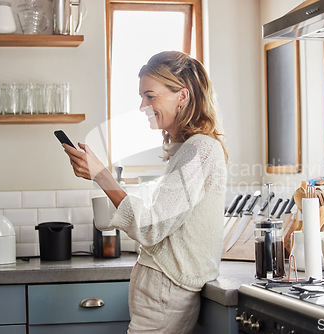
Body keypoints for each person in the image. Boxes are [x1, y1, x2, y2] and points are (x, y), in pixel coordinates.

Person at [62, 51, 228, 333]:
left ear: (182, 96)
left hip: (167, 290)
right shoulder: (187, 149)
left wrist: (102, 175)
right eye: (142, 97)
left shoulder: (200, 150)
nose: (143, 105)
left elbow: (151, 227)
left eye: (150, 96)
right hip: (164, 288)